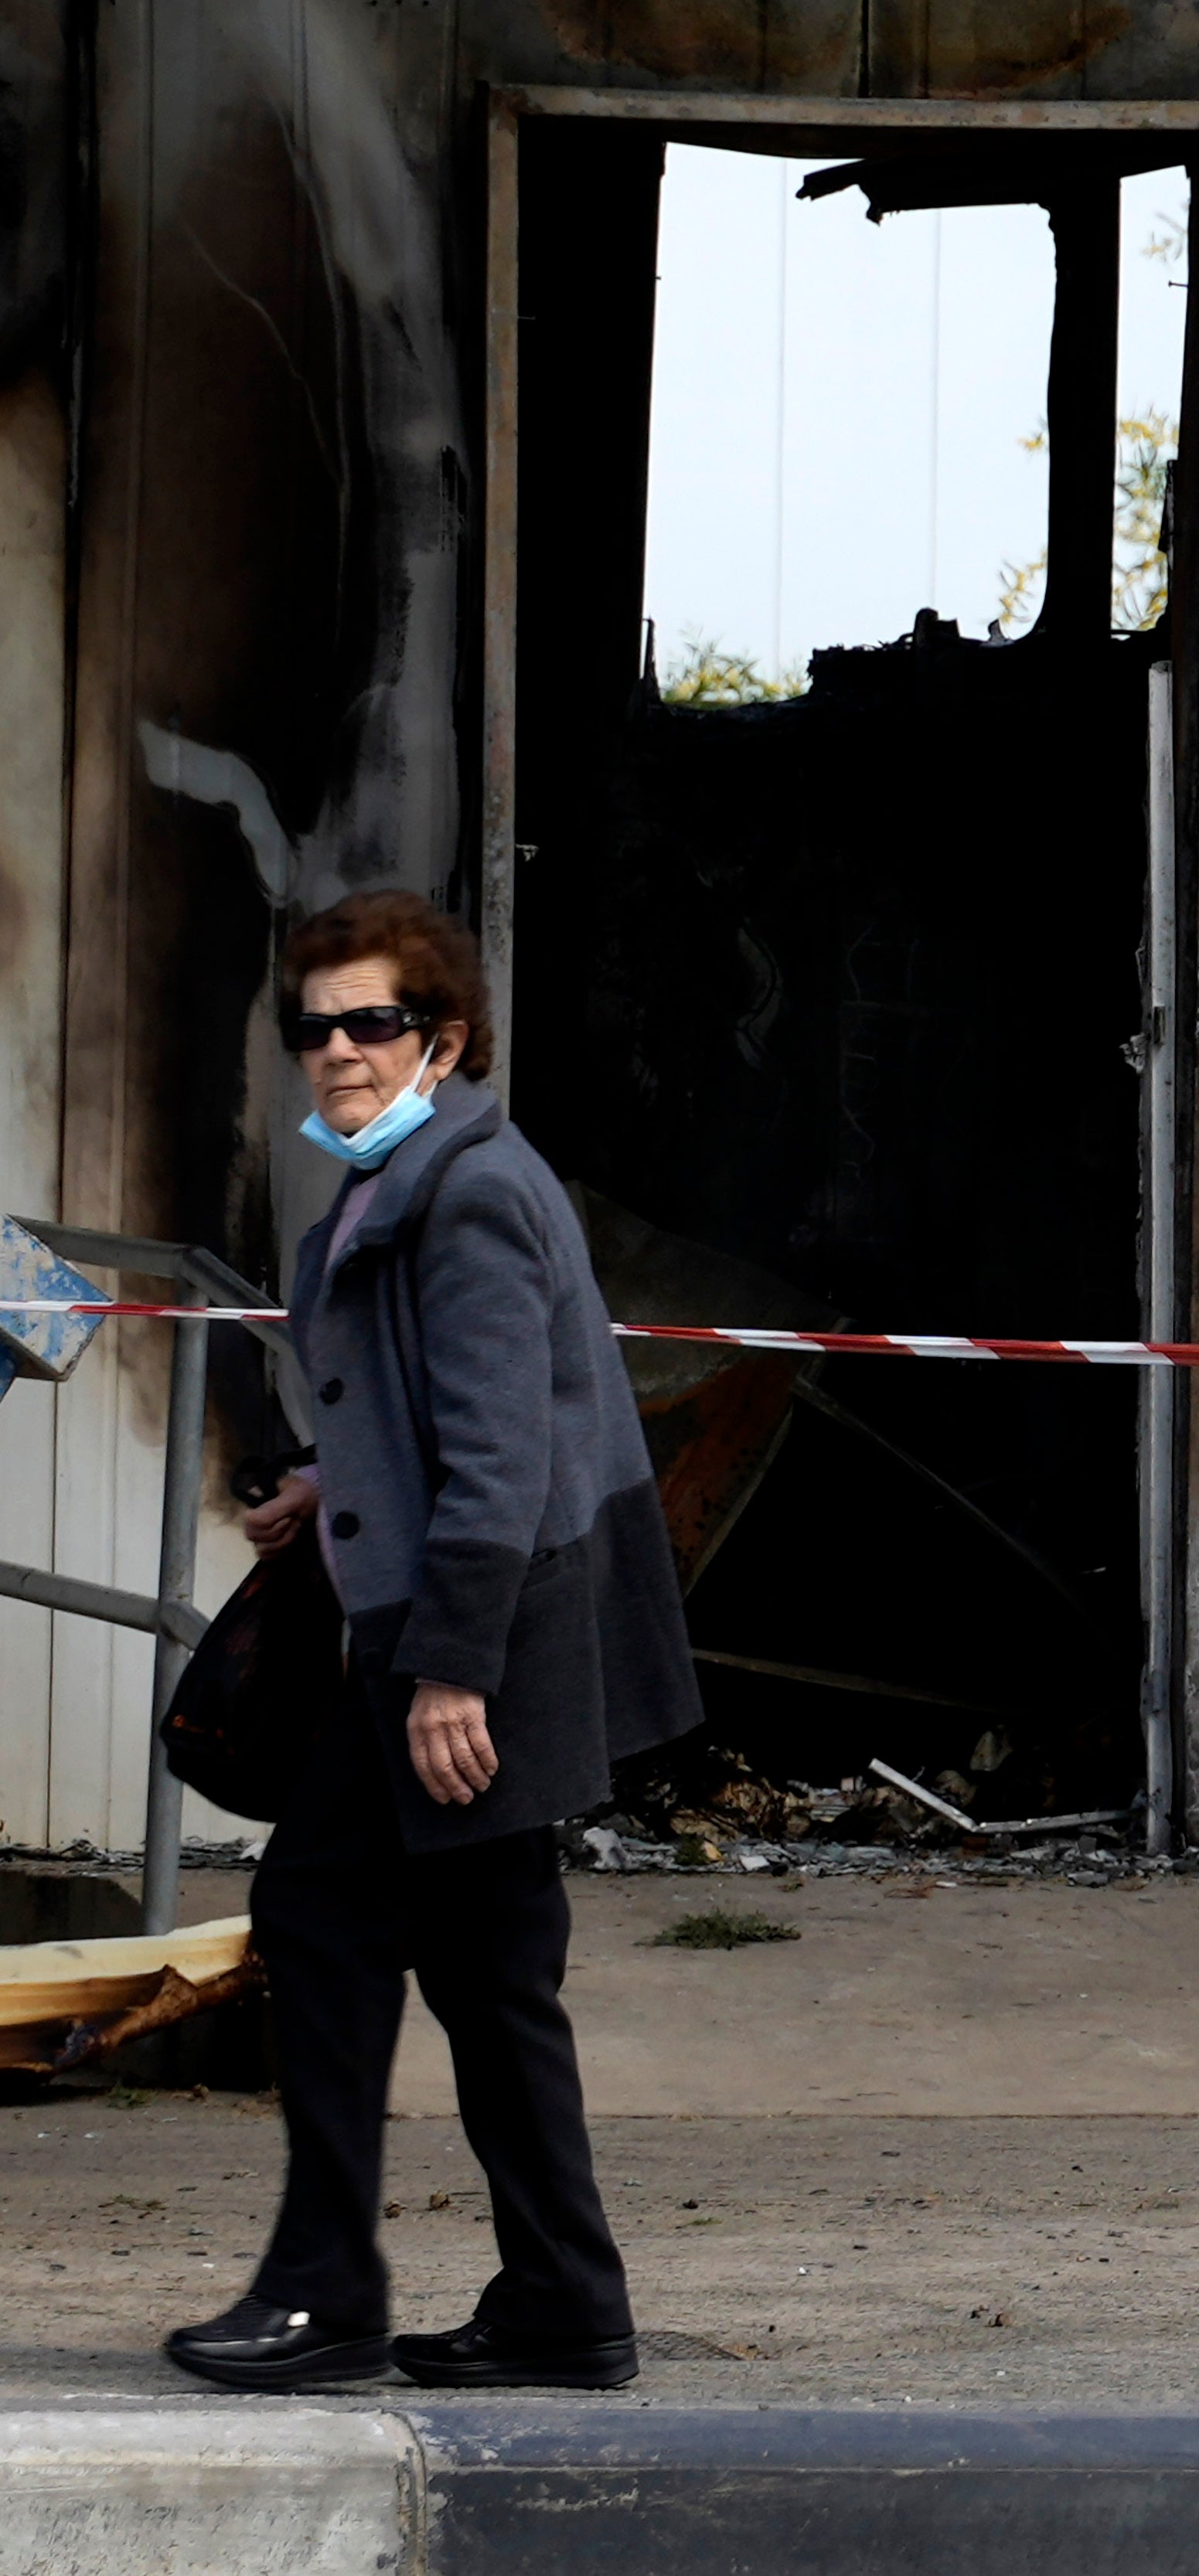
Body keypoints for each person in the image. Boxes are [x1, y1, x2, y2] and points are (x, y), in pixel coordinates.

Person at [164, 890, 700, 2394]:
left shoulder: (462, 1189)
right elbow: (436, 1411)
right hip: (469, 1621)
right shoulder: (413, 1176)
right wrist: (335, 1488)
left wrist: (452, 1669)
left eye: (372, 1021)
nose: (337, 1050)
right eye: (314, 1026)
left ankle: (331, 2291)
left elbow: (502, 1455)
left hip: (471, 1640)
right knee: (486, 1969)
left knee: (325, 1922)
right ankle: (562, 2303)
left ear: (441, 1037)